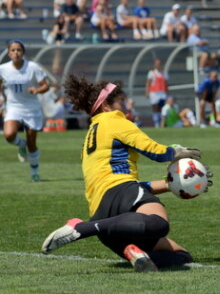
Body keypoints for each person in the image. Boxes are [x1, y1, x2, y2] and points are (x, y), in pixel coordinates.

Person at [41, 75, 210, 271]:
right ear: (106, 105)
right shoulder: (114, 120)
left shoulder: (91, 134)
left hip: (103, 215)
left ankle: (136, 253)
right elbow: (155, 152)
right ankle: (83, 228)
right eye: (121, 101)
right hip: (119, 201)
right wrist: (176, 152)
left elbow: (122, 185)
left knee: (182, 256)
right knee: (159, 225)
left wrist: (171, 183)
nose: (126, 105)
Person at [0, 40, 49, 182]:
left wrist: (37, 90)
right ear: (9, 53)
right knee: (9, 135)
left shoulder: (33, 67)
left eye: (19, 50)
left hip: (31, 108)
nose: (16, 53)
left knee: (32, 143)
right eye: (13, 50)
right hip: (13, 107)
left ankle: (35, 172)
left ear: (23, 52)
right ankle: (21, 146)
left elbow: (46, 86)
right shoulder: (3, 68)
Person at [145, 58, 169, 128]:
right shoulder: (151, 73)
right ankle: (156, 122)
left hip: (162, 92)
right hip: (154, 92)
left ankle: (161, 122)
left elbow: (166, 84)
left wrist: (167, 93)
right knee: (155, 107)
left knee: (161, 107)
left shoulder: (164, 73)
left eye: (159, 64)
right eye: (157, 64)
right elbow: (148, 83)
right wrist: (147, 92)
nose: (158, 65)